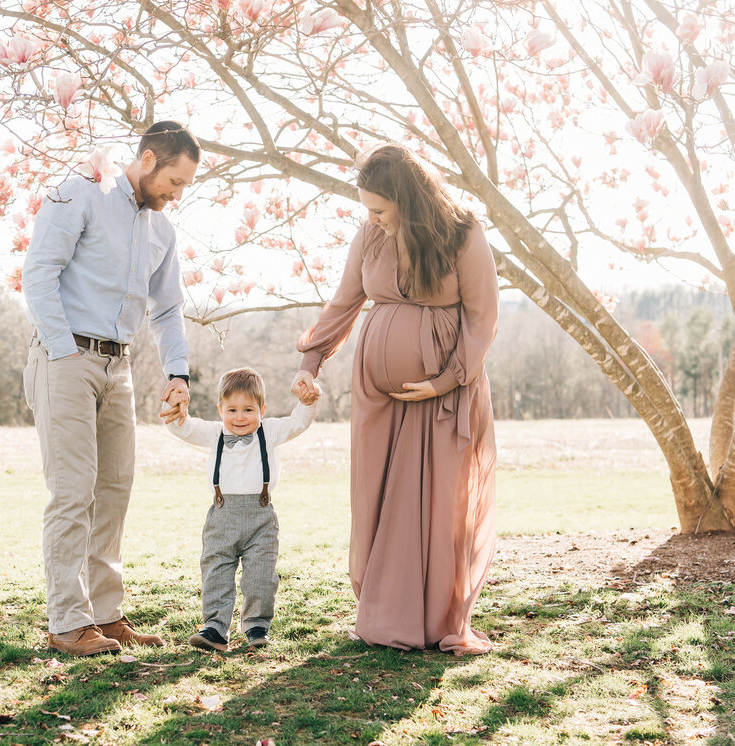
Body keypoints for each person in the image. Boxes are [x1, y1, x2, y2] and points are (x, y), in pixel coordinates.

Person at [291, 142, 499, 656]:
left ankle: (431, 623)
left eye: (380, 209)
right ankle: (381, 615)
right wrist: (310, 363)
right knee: (376, 497)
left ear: (408, 199)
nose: (372, 219)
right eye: (367, 209)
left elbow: (482, 316)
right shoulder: (370, 235)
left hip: (442, 395)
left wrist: (447, 379)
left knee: (435, 504)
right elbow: (344, 302)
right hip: (377, 395)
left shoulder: (463, 232)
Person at [21, 121, 201, 657]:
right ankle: (66, 621)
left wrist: (177, 373)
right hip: (66, 359)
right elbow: (39, 273)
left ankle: (104, 612)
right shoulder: (80, 193)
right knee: (73, 491)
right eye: (175, 180)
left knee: (115, 491)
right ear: (147, 160)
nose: (178, 193)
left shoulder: (162, 233)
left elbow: (167, 310)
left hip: (117, 367)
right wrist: (62, 349)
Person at [161, 367, 321, 652]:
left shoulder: (269, 431)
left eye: (248, 409)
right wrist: (174, 405)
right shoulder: (215, 434)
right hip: (222, 517)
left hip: (261, 518)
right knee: (216, 571)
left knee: (260, 575)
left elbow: (297, 422)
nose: (239, 417)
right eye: (232, 410)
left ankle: (257, 626)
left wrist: (308, 402)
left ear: (262, 409)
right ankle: (215, 628)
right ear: (220, 409)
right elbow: (183, 427)